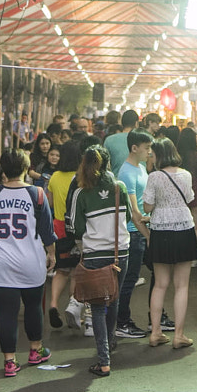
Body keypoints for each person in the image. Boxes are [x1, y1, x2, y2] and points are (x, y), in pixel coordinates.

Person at [0, 152, 56, 377]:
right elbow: (47, 231)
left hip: (1, 262)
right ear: (26, 168)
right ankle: (35, 350)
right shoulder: (37, 194)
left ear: (3, 169)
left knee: (7, 313)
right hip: (31, 261)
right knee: (34, 307)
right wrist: (51, 254)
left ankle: (9, 361)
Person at [69, 145, 132, 376]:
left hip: (95, 254)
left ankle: (103, 360)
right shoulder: (119, 187)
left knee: (97, 307)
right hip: (120, 253)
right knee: (113, 298)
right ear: (108, 163)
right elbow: (127, 217)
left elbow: (75, 228)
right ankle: (110, 340)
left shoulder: (81, 192)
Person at [143, 137, 197, 349]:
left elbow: (147, 208)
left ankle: (156, 333)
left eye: (153, 154)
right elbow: (190, 197)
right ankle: (179, 335)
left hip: (160, 230)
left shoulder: (154, 177)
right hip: (184, 228)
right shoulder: (185, 174)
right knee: (182, 285)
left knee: (160, 284)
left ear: (159, 155)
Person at [114, 129, 155, 339]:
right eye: (146, 148)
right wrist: (147, 235)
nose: (149, 152)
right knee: (128, 280)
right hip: (133, 233)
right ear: (134, 148)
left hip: (140, 231)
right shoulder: (127, 173)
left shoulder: (139, 168)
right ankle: (121, 322)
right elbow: (134, 212)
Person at [47, 139, 83, 329]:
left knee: (61, 270)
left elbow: (50, 204)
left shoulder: (54, 177)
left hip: (59, 226)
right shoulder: (80, 177)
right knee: (77, 271)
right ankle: (72, 308)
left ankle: (53, 304)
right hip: (76, 227)